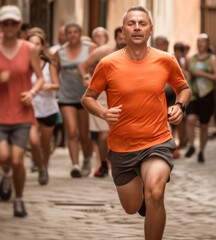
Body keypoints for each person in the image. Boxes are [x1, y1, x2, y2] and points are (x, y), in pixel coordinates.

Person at [81, 6, 191, 239]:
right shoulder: (108, 63)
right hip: (122, 147)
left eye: (142, 23)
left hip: (157, 141)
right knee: (132, 207)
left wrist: (179, 106)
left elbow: (184, 89)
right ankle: (140, 186)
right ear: (123, 31)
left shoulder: (165, 60)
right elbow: (87, 98)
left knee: (155, 193)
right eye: (131, 23)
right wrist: (103, 113)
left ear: (150, 29)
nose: (137, 27)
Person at [0, 5, 44, 218]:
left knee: (17, 159)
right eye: (6, 23)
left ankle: (19, 199)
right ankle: (5, 175)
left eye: (14, 23)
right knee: (4, 157)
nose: (10, 27)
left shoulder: (29, 49)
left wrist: (32, 92)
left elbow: (40, 77)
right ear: (0, 25)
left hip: (22, 112)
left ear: (19, 25)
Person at [78, 27, 127, 178]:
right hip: (102, 96)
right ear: (115, 37)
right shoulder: (103, 51)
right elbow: (83, 66)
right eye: (120, 38)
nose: (123, 41)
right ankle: (104, 164)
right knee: (103, 135)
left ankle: (122, 162)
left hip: (124, 96)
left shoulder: (135, 53)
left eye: (125, 38)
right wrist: (86, 78)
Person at [55, 22, 97, 178]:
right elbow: (56, 70)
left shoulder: (90, 48)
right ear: (65, 35)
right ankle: (75, 165)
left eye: (75, 32)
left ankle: (86, 159)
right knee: (72, 131)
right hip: (66, 96)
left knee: (84, 135)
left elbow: (96, 66)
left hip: (85, 97)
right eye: (69, 32)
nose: (72, 35)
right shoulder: (60, 52)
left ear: (80, 34)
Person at [26, 29, 60, 185]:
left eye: (37, 43)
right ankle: (40, 167)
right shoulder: (23, 65)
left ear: (41, 47)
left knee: (45, 143)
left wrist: (45, 86)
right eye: (30, 43)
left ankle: (44, 166)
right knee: (34, 142)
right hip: (30, 108)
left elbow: (56, 85)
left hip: (47, 108)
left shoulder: (48, 65)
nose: (33, 46)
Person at [184, 33, 216, 163]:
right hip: (193, 94)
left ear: (207, 44)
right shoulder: (191, 59)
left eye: (203, 41)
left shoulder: (212, 59)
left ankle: (201, 151)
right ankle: (192, 146)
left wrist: (202, 74)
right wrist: (190, 76)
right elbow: (185, 74)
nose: (200, 44)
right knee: (190, 119)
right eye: (198, 41)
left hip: (207, 95)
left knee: (204, 126)